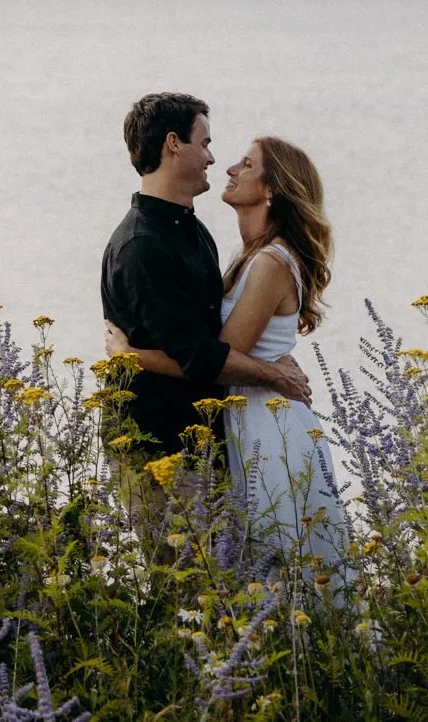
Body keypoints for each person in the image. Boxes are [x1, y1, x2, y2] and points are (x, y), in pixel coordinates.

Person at [108, 133, 351, 575]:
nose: (230, 169)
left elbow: (218, 358)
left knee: (280, 554)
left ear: (272, 190)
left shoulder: (270, 263)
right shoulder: (247, 255)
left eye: (247, 165)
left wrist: (130, 355)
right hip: (244, 415)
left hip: (267, 422)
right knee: (257, 556)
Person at [99, 93, 310, 460]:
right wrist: (272, 372)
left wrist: (131, 354)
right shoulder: (143, 246)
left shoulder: (195, 233)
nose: (214, 159)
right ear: (173, 144)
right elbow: (201, 357)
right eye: (205, 143)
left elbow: (212, 340)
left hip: (208, 442)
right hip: (158, 447)